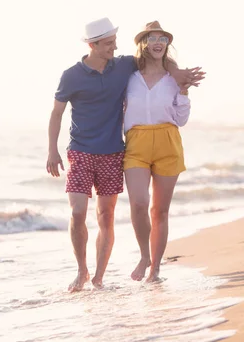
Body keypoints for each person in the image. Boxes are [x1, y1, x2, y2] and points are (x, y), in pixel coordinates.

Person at [46, 18, 204, 292]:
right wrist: (51, 150)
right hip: (97, 148)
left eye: (114, 42)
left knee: (123, 214)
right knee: (96, 209)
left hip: (122, 150)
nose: (114, 47)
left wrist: (179, 78)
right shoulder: (90, 73)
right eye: (108, 44)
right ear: (92, 45)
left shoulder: (128, 67)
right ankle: (86, 269)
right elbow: (57, 112)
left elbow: (160, 61)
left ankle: (113, 275)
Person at [124, 21, 194, 283]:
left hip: (168, 141)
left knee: (159, 211)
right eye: (152, 38)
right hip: (136, 143)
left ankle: (155, 269)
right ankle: (144, 256)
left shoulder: (173, 78)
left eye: (162, 39)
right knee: (139, 204)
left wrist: (184, 91)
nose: (157, 43)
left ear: (167, 45)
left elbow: (181, 118)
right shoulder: (129, 77)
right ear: (143, 43)